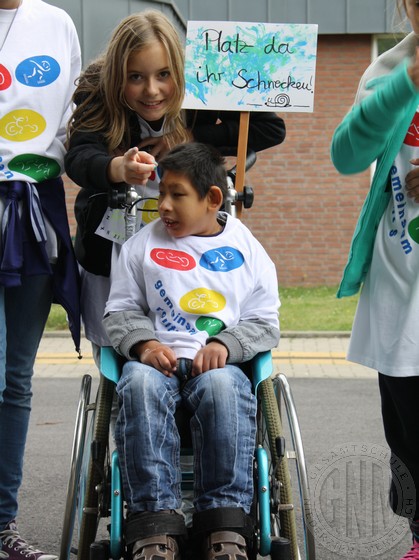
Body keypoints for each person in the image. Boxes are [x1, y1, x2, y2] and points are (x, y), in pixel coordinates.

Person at [64, 9, 286, 365]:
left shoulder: (204, 82)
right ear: (117, 77)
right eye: (136, 77)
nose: (152, 90)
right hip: (116, 246)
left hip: (193, 255)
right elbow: (78, 157)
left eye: (163, 75)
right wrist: (116, 167)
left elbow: (270, 130)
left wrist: (186, 137)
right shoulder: (98, 94)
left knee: (196, 347)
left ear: (179, 72)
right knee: (120, 351)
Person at [102, 142, 280, 560]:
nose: (163, 204)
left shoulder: (247, 249)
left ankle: (224, 524)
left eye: (176, 194)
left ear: (212, 199)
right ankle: (155, 525)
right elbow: (120, 310)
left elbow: (264, 319)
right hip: (155, 364)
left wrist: (227, 343)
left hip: (219, 366)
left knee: (222, 388)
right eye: (161, 192)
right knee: (140, 384)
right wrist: (144, 344)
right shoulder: (140, 247)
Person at [331, 1, 419, 558]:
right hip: (399, 283)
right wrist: (407, 81)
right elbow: (346, 154)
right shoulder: (389, 70)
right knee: (407, 428)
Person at [0, 0, 82, 559]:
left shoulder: (56, 24)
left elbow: (73, 128)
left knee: (16, 380)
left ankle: (2, 527)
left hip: (32, 211)